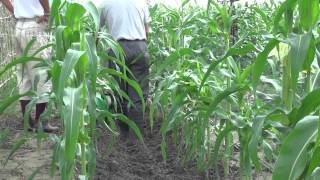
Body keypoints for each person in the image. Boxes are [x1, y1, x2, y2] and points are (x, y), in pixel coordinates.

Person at [0, 0, 58, 132]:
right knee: (42, 76)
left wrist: (15, 11)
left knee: (24, 77)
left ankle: (28, 122)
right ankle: (41, 122)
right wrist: (48, 13)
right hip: (34, 26)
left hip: (19, 26)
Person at [100, 0, 150, 140]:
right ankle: (137, 137)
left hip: (116, 49)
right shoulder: (141, 3)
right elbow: (146, 31)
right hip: (140, 47)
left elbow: (96, 32)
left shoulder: (105, 4)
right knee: (138, 96)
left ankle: (124, 135)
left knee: (119, 93)